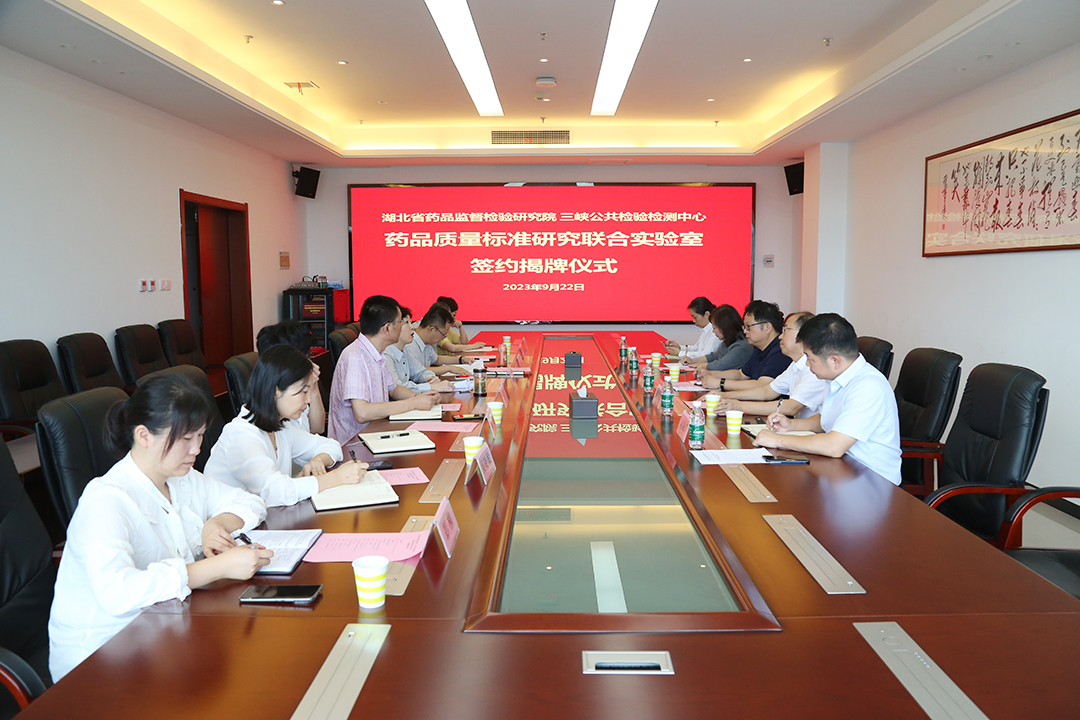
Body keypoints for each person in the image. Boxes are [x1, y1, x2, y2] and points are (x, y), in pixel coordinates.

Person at [48, 374, 273, 681]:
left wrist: (216, 522)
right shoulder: (106, 499)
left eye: (200, 436)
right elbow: (116, 593)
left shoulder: (181, 477)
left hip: (164, 630)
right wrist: (217, 568)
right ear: (144, 435)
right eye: (186, 439)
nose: (196, 449)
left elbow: (250, 503)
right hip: (100, 657)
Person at [204, 345, 365, 507]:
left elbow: (331, 445)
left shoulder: (280, 427)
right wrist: (337, 477)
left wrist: (318, 460)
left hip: (268, 517)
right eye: (303, 392)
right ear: (275, 390)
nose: (308, 400)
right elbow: (274, 492)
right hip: (231, 522)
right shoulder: (241, 435)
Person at [753, 313, 901, 485]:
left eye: (810, 358)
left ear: (835, 361)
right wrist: (791, 425)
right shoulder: (836, 377)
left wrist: (777, 440)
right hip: (840, 470)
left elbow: (834, 446)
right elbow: (828, 419)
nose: (807, 364)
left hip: (871, 482)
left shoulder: (869, 386)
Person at [327, 295, 440, 443]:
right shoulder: (355, 357)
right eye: (401, 322)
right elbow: (362, 412)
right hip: (355, 444)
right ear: (387, 328)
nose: (405, 326)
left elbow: (393, 389)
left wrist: (420, 398)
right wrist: (412, 404)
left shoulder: (377, 353)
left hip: (377, 434)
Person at [715, 312, 828, 419]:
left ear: (804, 334)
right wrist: (726, 396)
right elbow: (767, 391)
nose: (780, 336)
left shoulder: (814, 368)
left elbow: (792, 407)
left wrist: (738, 406)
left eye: (785, 330)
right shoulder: (795, 364)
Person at [701, 300, 791, 390]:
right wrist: (710, 373)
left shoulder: (780, 351)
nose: (744, 331)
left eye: (748, 327)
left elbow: (762, 385)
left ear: (767, 327)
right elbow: (741, 374)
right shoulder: (759, 349)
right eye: (744, 327)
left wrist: (721, 383)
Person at [255, 320, 325, 434]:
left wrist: (313, 387)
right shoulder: (287, 396)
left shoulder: (296, 391)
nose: (308, 362)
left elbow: (317, 429)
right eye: (306, 356)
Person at [384, 306, 456, 393]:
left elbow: (419, 371)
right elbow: (396, 389)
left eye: (411, 322)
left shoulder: (404, 350)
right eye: (406, 322)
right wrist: (430, 386)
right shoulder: (386, 354)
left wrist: (430, 378)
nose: (412, 327)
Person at [407, 303, 475, 376]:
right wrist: (449, 368)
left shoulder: (426, 343)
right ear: (432, 329)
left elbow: (436, 359)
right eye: (443, 334)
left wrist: (461, 360)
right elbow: (418, 371)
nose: (444, 338)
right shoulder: (409, 344)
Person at [688, 304, 754, 372]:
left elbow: (720, 366)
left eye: (714, 328)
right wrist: (693, 361)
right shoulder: (728, 341)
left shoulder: (741, 346)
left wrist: (699, 366)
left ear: (724, 327)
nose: (713, 331)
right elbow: (713, 356)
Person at [664, 297, 722, 362]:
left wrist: (679, 353)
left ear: (707, 314)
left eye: (695, 317)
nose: (693, 321)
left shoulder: (715, 332)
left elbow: (706, 355)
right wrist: (679, 347)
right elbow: (696, 348)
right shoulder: (706, 329)